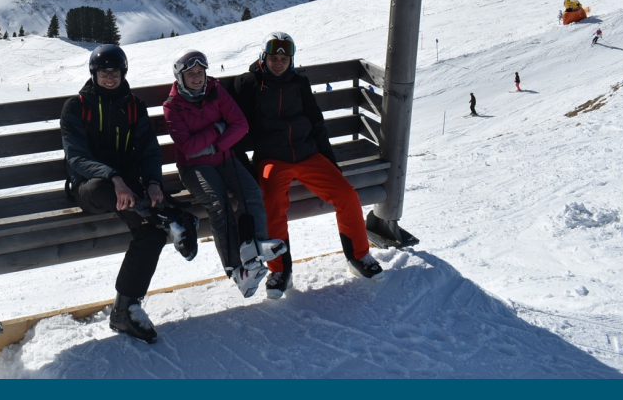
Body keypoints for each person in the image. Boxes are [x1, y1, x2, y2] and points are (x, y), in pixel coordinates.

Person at [234, 32, 385, 298]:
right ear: (263, 58)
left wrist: (330, 162)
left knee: (346, 195)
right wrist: (247, 168)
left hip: (308, 155)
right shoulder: (250, 83)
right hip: (272, 159)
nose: (278, 63)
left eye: (284, 59)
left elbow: (316, 122)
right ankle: (280, 271)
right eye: (273, 58)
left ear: (291, 60)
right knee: (272, 204)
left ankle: (358, 256)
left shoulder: (299, 83)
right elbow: (236, 126)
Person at [63, 45, 197, 343]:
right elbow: (76, 157)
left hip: (131, 191)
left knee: (152, 235)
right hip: (92, 188)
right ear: (94, 73)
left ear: (124, 73)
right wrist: (113, 177)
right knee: (101, 187)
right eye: (104, 72)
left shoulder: (134, 106)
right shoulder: (77, 106)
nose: (110, 78)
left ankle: (125, 310)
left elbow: (149, 150)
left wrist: (153, 182)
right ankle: (171, 217)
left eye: (115, 72)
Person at [163, 50, 286, 298]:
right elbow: (188, 147)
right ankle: (236, 268)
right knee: (219, 205)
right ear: (180, 77)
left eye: (200, 72)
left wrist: (216, 146)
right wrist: (218, 128)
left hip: (225, 158)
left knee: (252, 192)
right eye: (191, 74)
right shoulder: (173, 106)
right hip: (194, 167)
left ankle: (256, 245)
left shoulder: (216, 91)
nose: (197, 78)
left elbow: (240, 124)